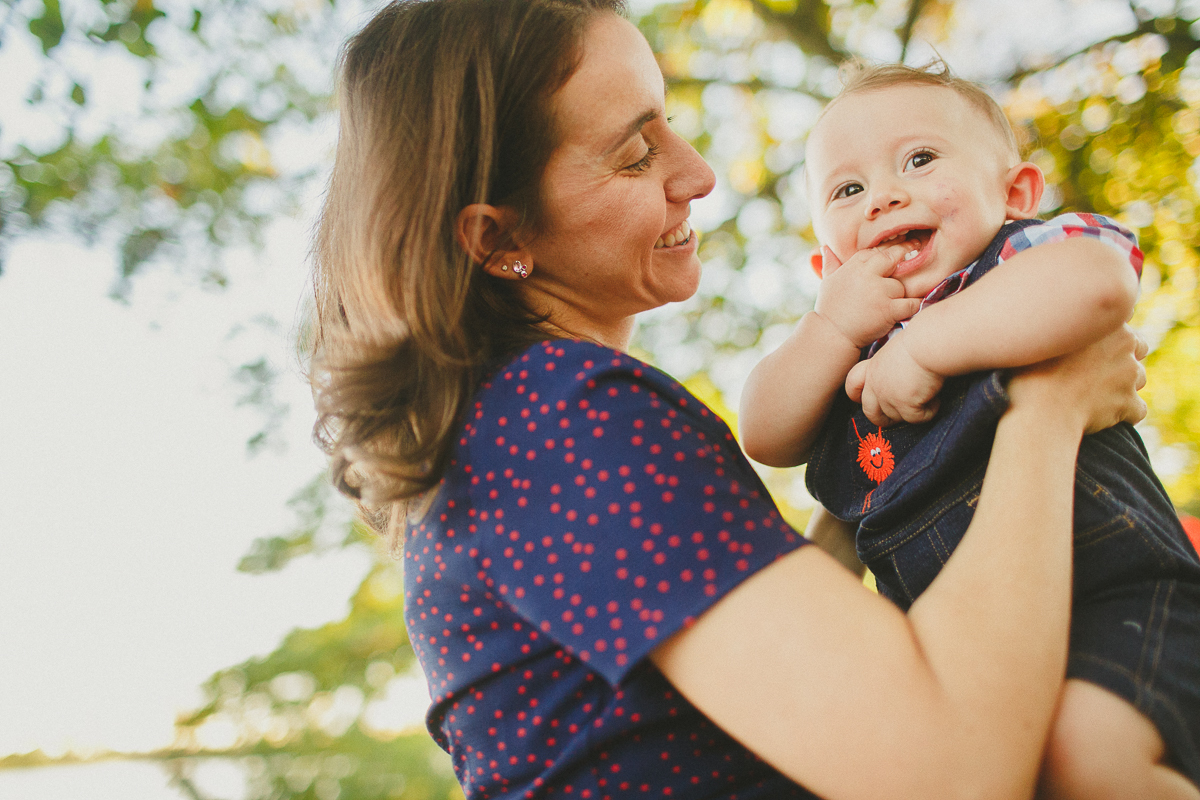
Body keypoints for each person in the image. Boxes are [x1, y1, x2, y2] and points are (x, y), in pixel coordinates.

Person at [307, 3, 1150, 798]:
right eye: (637, 154)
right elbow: (950, 774)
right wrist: (1050, 405)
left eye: (668, 121)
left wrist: (869, 491)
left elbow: (777, 686)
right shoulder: (563, 419)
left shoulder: (514, 427)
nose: (699, 173)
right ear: (500, 237)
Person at [740, 62, 1200, 798]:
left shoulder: (1016, 261)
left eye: (919, 160)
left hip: (1112, 590)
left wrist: (926, 346)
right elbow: (764, 432)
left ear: (1014, 195)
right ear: (825, 261)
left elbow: (1099, 283)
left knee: (1087, 757)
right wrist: (829, 324)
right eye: (847, 189)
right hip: (959, 647)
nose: (886, 194)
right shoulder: (844, 350)